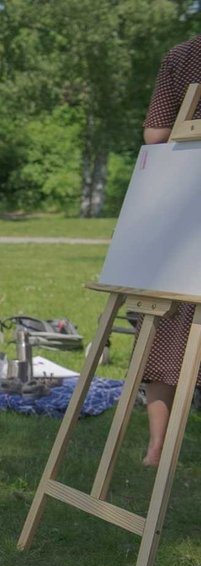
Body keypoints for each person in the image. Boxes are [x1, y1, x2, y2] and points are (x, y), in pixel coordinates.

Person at [139, 34, 201, 467]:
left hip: (181, 208)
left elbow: (155, 134)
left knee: (170, 329)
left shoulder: (181, 55)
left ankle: (157, 447)